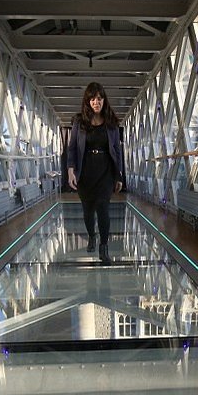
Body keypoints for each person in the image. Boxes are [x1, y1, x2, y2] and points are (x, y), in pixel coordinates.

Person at [67, 82, 124, 264]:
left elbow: (116, 150)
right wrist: (70, 171)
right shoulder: (79, 122)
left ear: (104, 100)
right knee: (88, 212)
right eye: (92, 99)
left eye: (99, 98)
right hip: (85, 172)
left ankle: (104, 247)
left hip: (105, 171)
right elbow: (72, 148)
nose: (96, 102)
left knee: (103, 209)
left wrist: (118, 175)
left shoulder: (111, 123)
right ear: (88, 101)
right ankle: (92, 236)